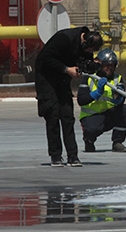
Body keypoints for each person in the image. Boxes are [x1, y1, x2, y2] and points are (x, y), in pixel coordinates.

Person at [34, 27, 103, 167]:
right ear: (84, 42)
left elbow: (83, 64)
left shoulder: (85, 48)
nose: (89, 52)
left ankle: (73, 156)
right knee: (52, 114)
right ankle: (55, 156)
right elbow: (45, 58)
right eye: (89, 50)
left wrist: (92, 66)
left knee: (67, 116)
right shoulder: (64, 38)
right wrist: (66, 69)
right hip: (46, 77)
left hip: (62, 80)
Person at [77, 48, 126, 153]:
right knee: (93, 129)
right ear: (100, 65)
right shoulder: (89, 77)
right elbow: (81, 100)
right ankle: (88, 140)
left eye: (112, 65)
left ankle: (117, 142)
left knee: (125, 109)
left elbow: (121, 99)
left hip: (109, 114)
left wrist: (119, 96)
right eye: (107, 65)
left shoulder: (117, 78)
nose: (110, 68)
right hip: (91, 115)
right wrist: (97, 92)